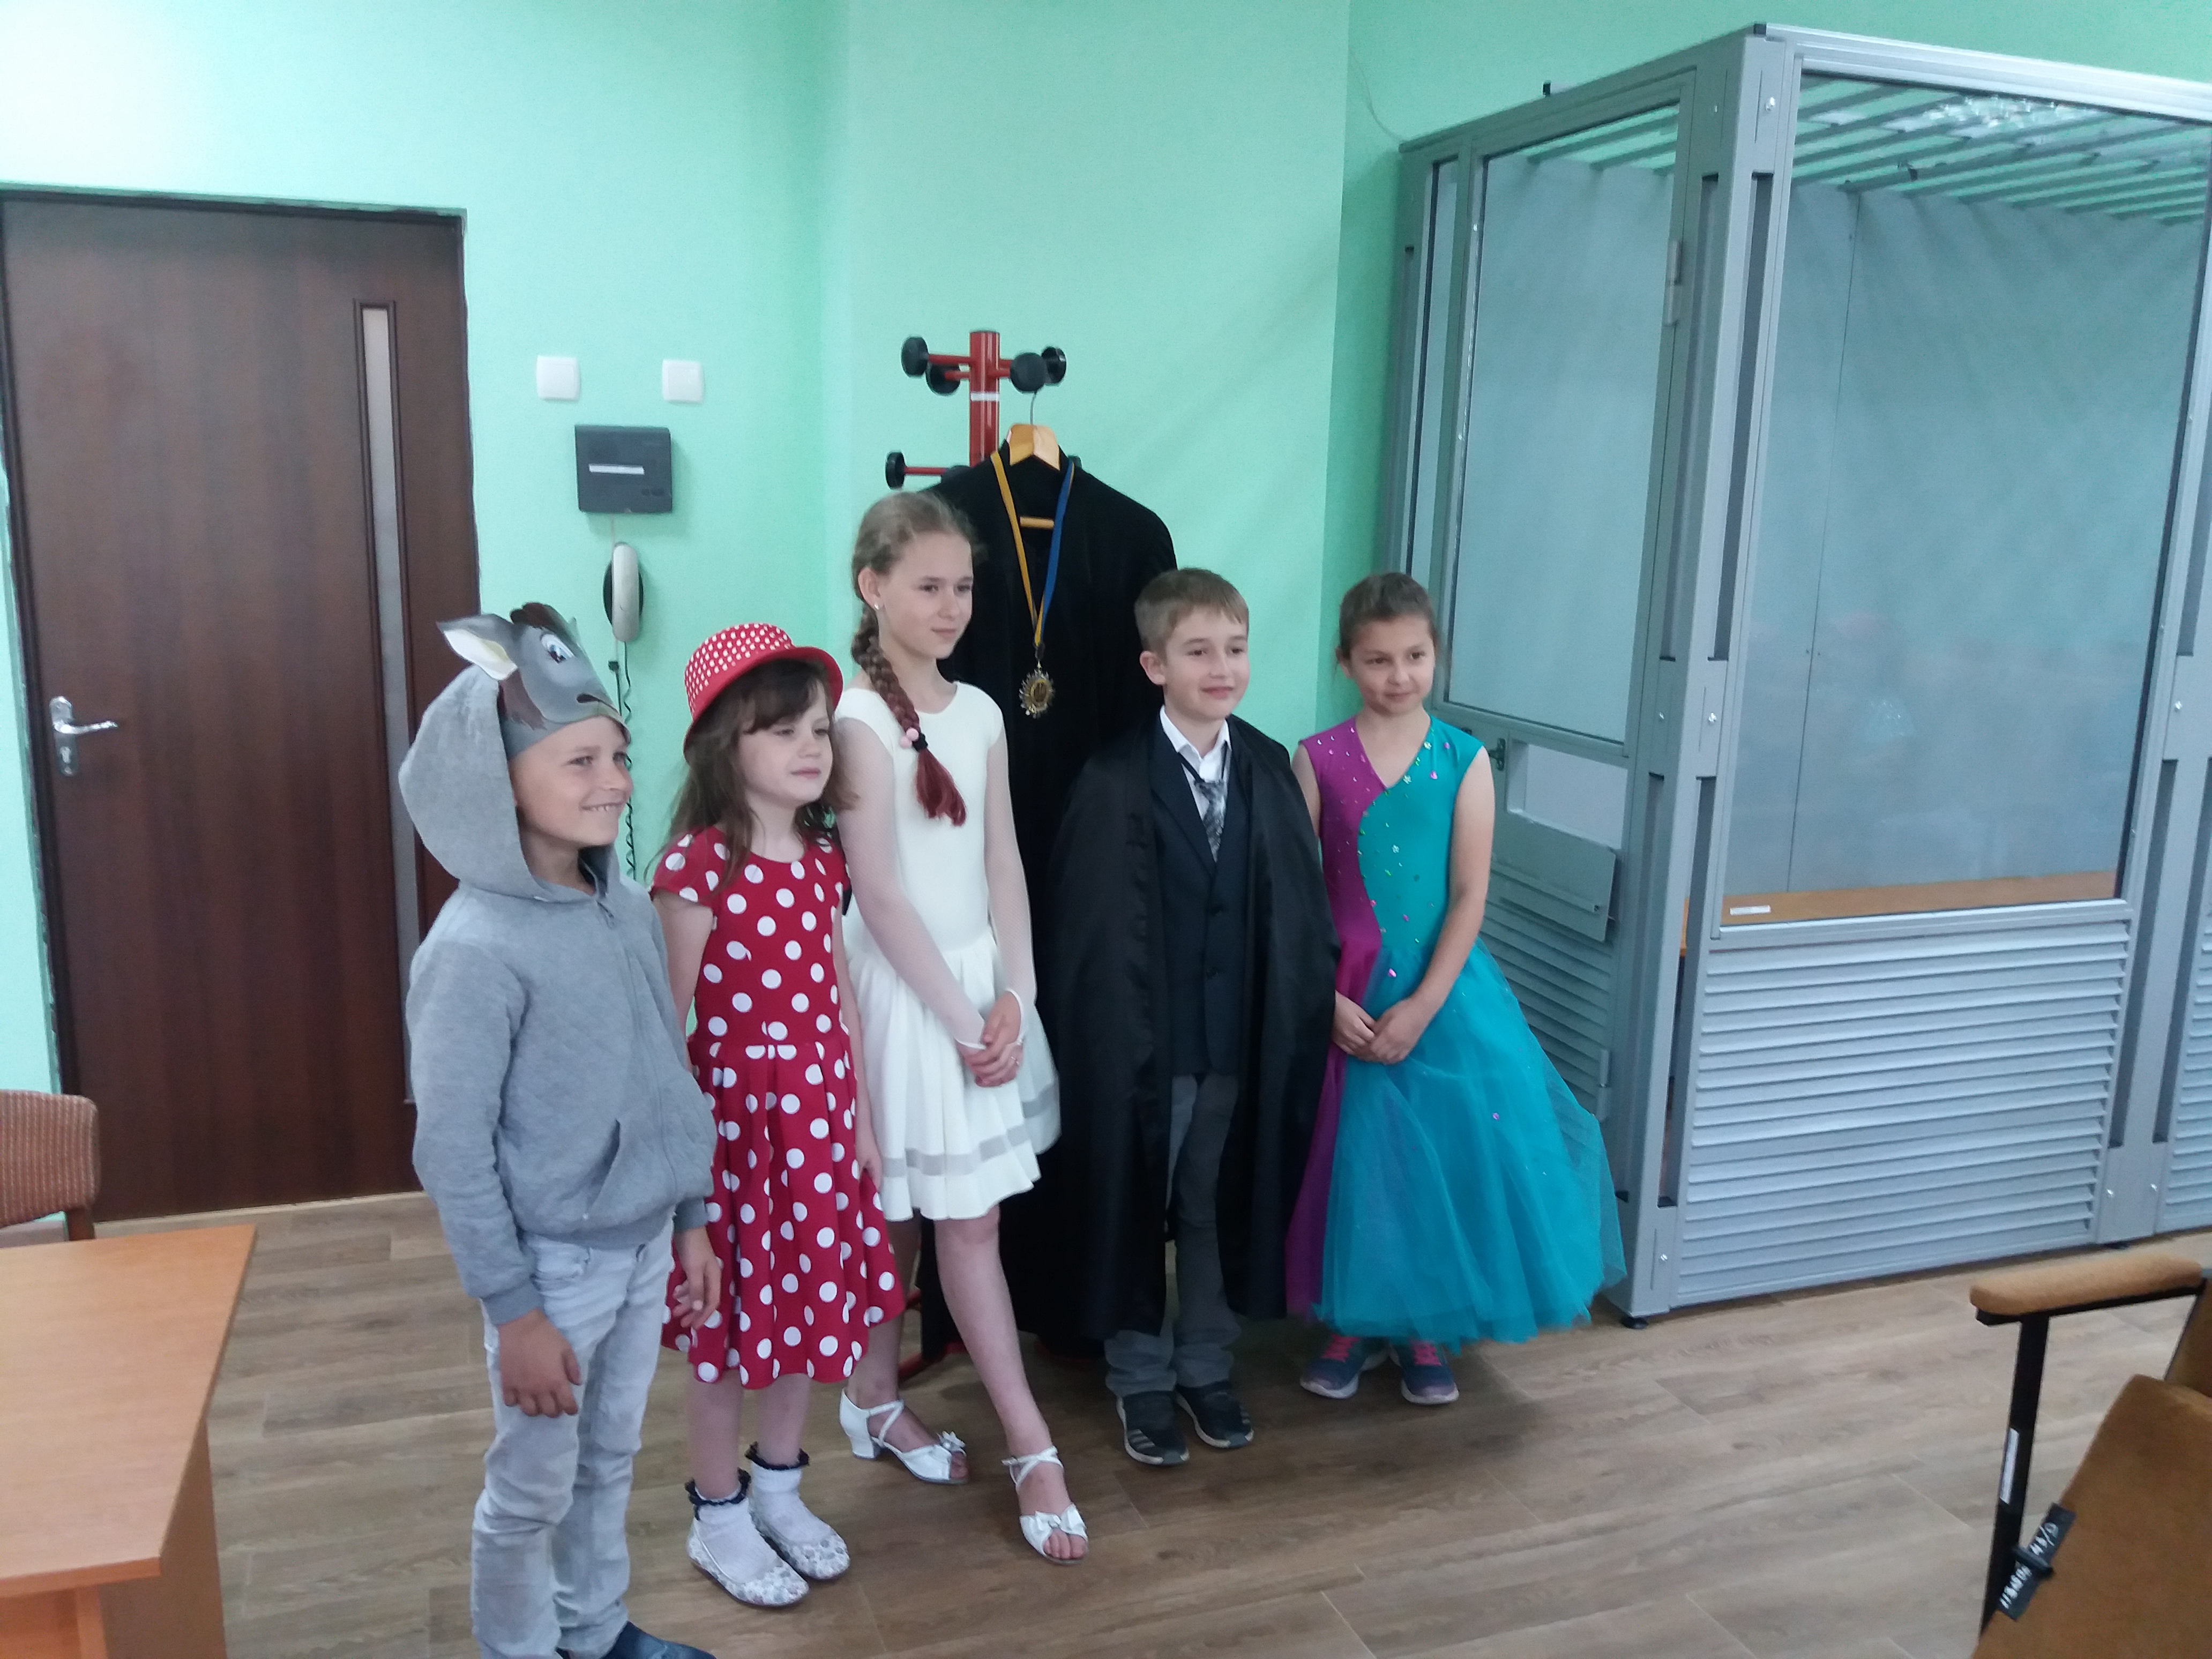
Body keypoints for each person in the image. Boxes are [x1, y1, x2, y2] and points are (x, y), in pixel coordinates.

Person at [400, 605, 719, 1659]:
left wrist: (690, 1218)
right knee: (532, 1488)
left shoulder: (622, 909)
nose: (614, 781)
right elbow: (452, 1149)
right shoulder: (474, 951)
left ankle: (595, 1629)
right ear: (495, 780)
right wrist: (517, 1312)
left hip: (641, 1244)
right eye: (580, 761)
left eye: (618, 756)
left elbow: (663, 1070)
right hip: (552, 1270)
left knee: (610, 1458)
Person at [1286, 573, 1625, 1405]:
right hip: (1345, 987)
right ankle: (1354, 1319)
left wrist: (1426, 1004)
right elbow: (1295, 892)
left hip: (1440, 991)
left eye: (1415, 656)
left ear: (1436, 655)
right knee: (1359, 1156)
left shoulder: (1463, 759)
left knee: (1436, 1155)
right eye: (1377, 660)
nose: (1398, 675)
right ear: (1344, 662)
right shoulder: (1315, 758)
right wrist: (1323, 997)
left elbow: (1470, 892)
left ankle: (1423, 1326)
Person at [647, 623, 933, 1610]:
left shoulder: (820, 860)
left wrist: (860, 1123)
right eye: (783, 731)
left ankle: (778, 1487)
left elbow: (839, 999)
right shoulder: (694, 868)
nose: (812, 747)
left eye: (818, 728)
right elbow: (667, 1028)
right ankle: (717, 1511)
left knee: (806, 1313)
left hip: (815, 1126)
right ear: (723, 746)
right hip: (734, 1137)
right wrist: (684, 1179)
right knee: (731, 1330)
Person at [832, 491, 1088, 1563]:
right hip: (902, 997)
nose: (951, 606)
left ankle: (934, 1415)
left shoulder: (981, 711)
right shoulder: (851, 720)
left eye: (964, 588)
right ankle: (953, 1421)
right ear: (873, 587)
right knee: (914, 1219)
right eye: (928, 586)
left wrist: (1015, 997)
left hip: (981, 989)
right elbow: (879, 894)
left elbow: (1002, 861)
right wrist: (960, 1019)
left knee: (948, 1219)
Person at [1042, 569, 1336, 1467]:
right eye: (1199, 651)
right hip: (1147, 1048)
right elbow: (1086, 937)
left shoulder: (1269, 768)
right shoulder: (1112, 778)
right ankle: (1139, 1376)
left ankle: (1207, 1363)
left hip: (1236, 1044)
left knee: (1214, 1203)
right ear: (1154, 665)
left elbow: (1297, 915)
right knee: (1138, 1201)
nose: (1222, 668)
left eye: (1235, 649)